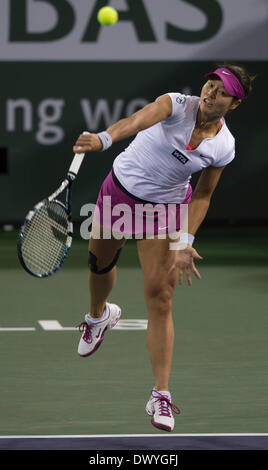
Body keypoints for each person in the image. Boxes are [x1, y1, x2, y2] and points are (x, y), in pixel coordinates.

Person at [73, 64, 255, 432]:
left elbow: (202, 195)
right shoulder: (175, 104)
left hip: (165, 211)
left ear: (234, 104)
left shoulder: (224, 146)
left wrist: (186, 240)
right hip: (120, 194)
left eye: (222, 92)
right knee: (99, 265)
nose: (210, 93)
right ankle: (99, 316)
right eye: (210, 84)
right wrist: (104, 139)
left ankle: (161, 394)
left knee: (161, 297)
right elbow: (137, 120)